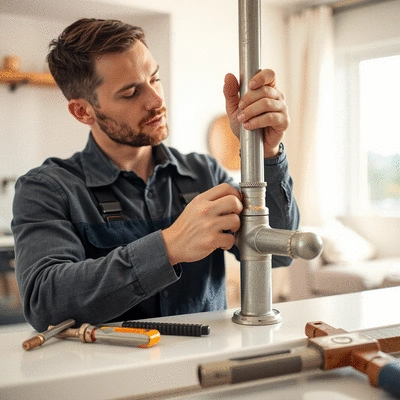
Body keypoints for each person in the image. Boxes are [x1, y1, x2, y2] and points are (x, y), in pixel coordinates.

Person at [12, 18, 299, 332]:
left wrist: (266, 152)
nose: (157, 100)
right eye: (131, 92)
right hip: (110, 374)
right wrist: (170, 246)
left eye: (155, 78)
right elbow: (45, 302)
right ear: (84, 111)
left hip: (206, 366)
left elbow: (280, 252)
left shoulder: (204, 173)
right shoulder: (48, 189)